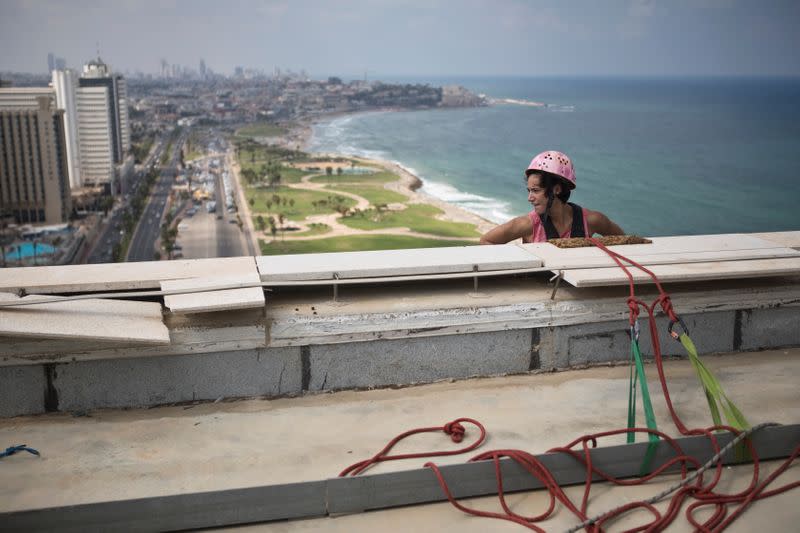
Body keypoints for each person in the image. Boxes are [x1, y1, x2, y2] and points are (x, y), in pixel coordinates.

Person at [480, 150, 624, 244]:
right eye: (529, 191)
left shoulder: (592, 220)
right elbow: (486, 241)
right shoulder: (528, 224)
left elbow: (625, 242)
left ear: (556, 189)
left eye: (535, 191)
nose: (529, 198)